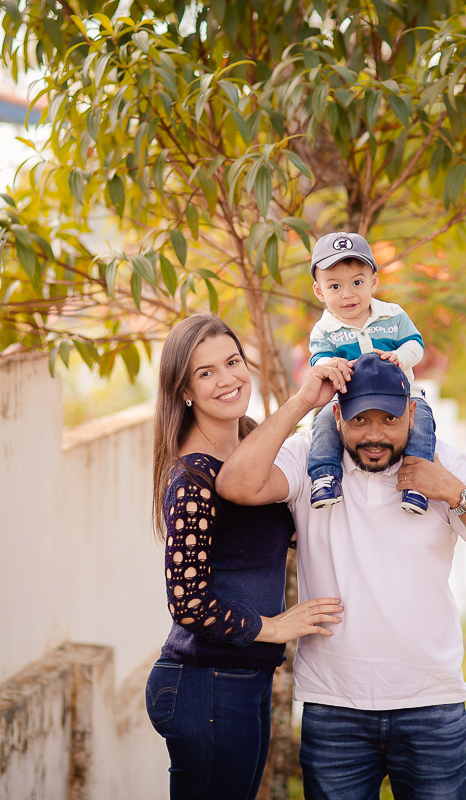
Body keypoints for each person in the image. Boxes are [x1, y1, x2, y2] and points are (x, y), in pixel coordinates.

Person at [217, 352, 466, 800]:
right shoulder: (311, 462)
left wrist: (453, 491)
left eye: (390, 419)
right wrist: (303, 401)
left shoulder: (444, 465)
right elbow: (236, 485)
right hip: (334, 707)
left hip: (431, 704)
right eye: (361, 419)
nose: (376, 435)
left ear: (413, 413)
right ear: (338, 416)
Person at [145, 314, 345, 800]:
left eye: (232, 361)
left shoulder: (252, 444)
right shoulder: (191, 479)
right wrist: (274, 627)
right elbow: (187, 601)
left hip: (239, 678)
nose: (228, 378)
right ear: (185, 391)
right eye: (205, 372)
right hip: (205, 682)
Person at [304, 231, 435, 515]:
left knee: (421, 419)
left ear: (373, 281)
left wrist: (400, 356)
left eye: (357, 283)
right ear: (319, 291)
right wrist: (330, 365)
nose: (348, 294)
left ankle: (417, 482)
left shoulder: (393, 315)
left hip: (402, 393)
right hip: (349, 399)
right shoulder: (324, 329)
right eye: (335, 286)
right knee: (325, 420)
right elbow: (319, 359)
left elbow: (416, 344)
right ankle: (324, 475)